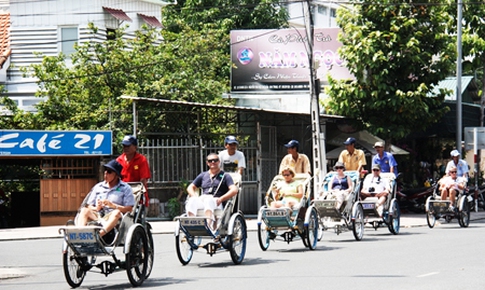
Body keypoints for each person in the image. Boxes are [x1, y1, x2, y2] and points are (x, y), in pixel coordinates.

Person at [77, 160, 135, 237]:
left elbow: (129, 209)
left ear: (117, 175)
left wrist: (113, 206)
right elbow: (88, 206)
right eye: (105, 171)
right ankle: (80, 235)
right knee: (84, 210)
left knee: (116, 212)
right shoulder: (98, 187)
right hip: (98, 215)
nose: (106, 173)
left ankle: (99, 235)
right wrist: (96, 208)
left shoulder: (125, 188)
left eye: (109, 172)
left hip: (114, 217)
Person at [186, 153, 239, 231]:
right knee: (191, 200)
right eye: (210, 161)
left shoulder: (225, 176)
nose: (213, 162)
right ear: (207, 163)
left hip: (217, 202)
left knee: (209, 200)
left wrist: (221, 199)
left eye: (215, 160)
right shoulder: (203, 175)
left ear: (219, 162)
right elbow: (190, 187)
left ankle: (208, 225)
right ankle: (193, 225)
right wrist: (194, 196)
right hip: (203, 200)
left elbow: (234, 190)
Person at [116, 135, 151, 206]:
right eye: (124, 146)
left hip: (137, 194)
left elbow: (143, 180)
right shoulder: (119, 160)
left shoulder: (141, 160)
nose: (125, 148)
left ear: (135, 147)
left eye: (128, 146)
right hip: (122, 194)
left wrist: (137, 193)